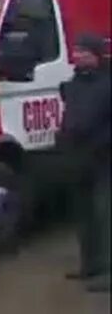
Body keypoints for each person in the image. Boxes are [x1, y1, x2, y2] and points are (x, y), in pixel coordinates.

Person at [59, 33, 111, 294]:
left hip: (104, 157)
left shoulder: (107, 83)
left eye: (84, 52)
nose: (78, 56)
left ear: (97, 56)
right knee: (84, 213)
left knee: (105, 215)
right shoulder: (73, 83)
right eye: (77, 52)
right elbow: (70, 115)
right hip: (78, 156)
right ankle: (90, 264)